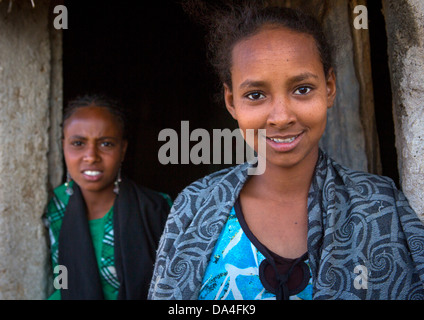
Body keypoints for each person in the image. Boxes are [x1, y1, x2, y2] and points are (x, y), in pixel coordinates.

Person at [148, 2, 424, 300]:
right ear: (231, 102)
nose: (281, 117)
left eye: (302, 89)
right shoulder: (194, 205)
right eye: (255, 95)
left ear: (329, 87)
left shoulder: (381, 206)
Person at [43, 94, 172, 300]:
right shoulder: (54, 206)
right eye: (78, 143)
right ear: (63, 146)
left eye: (106, 144)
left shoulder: (156, 208)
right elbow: (62, 284)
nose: (91, 156)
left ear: (123, 149)